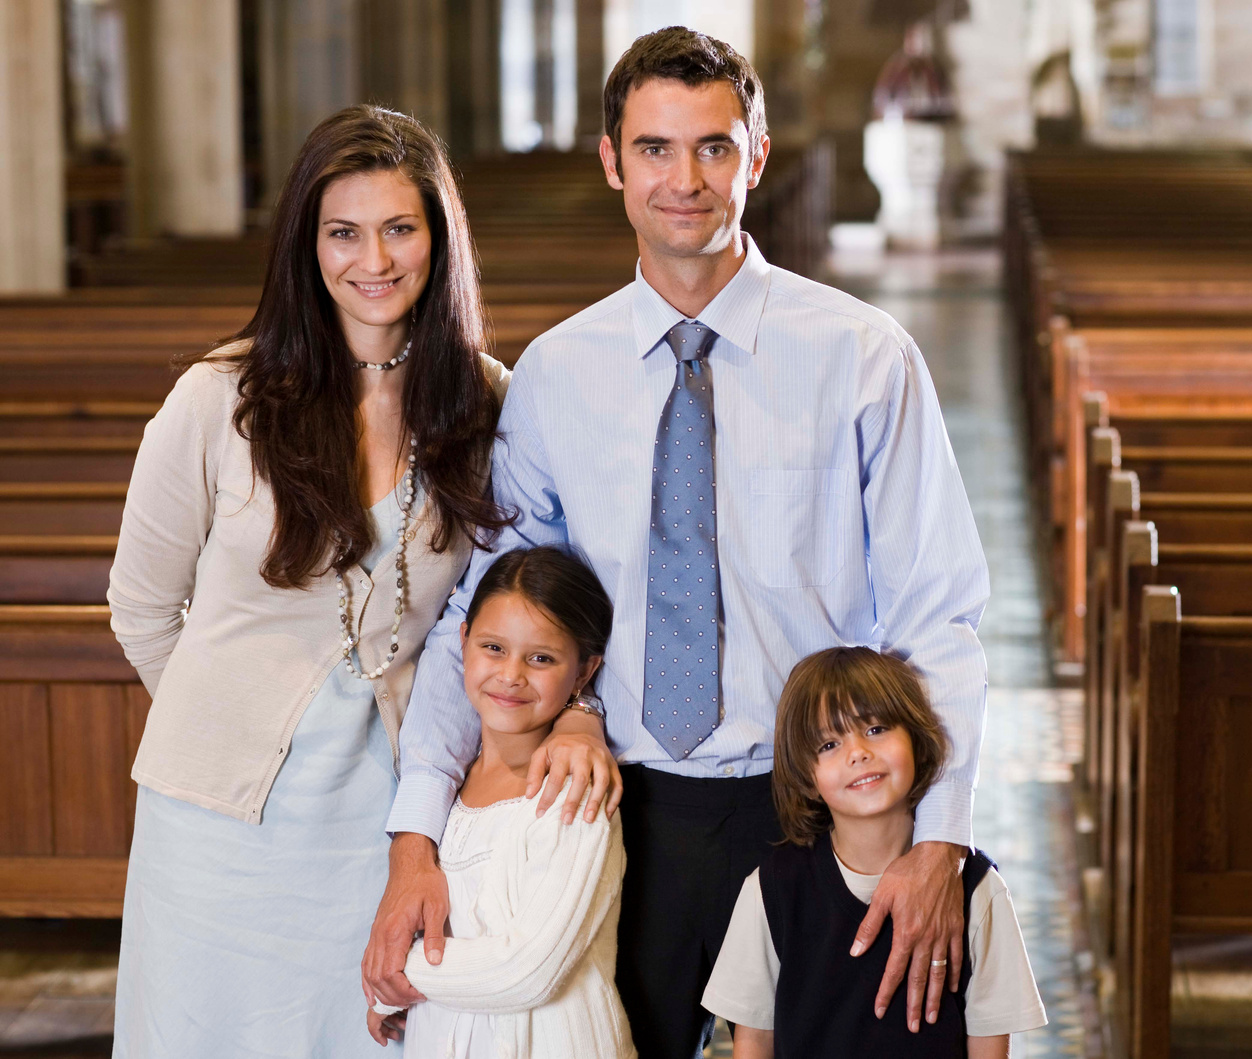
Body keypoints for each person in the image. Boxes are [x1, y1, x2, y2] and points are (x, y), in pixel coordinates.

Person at [364, 28, 991, 1059]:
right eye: (654, 148)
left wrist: (940, 840)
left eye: (712, 147)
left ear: (757, 154)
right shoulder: (561, 374)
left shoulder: (864, 357)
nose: (684, 179)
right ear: (613, 161)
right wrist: (414, 835)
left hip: (814, 807)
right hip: (614, 797)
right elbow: (490, 612)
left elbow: (939, 612)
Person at [108, 105, 510, 1057]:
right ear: (307, 244)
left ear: (437, 239)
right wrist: (225, 713)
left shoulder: (487, 402)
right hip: (218, 825)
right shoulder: (220, 397)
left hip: (386, 818)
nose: (373, 258)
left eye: (399, 228)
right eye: (343, 231)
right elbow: (139, 606)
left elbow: (501, 607)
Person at [702, 647, 1046, 1058]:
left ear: (918, 742)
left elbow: (990, 1044)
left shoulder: (976, 887)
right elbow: (753, 1040)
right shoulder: (772, 888)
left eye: (877, 728)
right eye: (829, 744)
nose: (857, 752)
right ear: (807, 778)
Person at [366, 546, 634, 1058]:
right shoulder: (446, 795)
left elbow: (528, 969)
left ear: (583, 672)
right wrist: (394, 996)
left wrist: (396, 967)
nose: (511, 675)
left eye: (541, 658)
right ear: (463, 642)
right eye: (493, 647)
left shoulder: (574, 794)